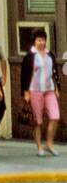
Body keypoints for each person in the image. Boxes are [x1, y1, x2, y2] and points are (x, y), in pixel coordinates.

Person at [20, 29, 61, 158]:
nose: (41, 42)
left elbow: (55, 72)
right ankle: (39, 147)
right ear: (34, 41)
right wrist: (25, 92)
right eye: (39, 40)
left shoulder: (50, 55)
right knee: (37, 121)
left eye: (43, 40)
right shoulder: (30, 56)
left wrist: (57, 87)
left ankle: (49, 143)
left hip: (49, 90)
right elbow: (24, 75)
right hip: (35, 90)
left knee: (55, 117)